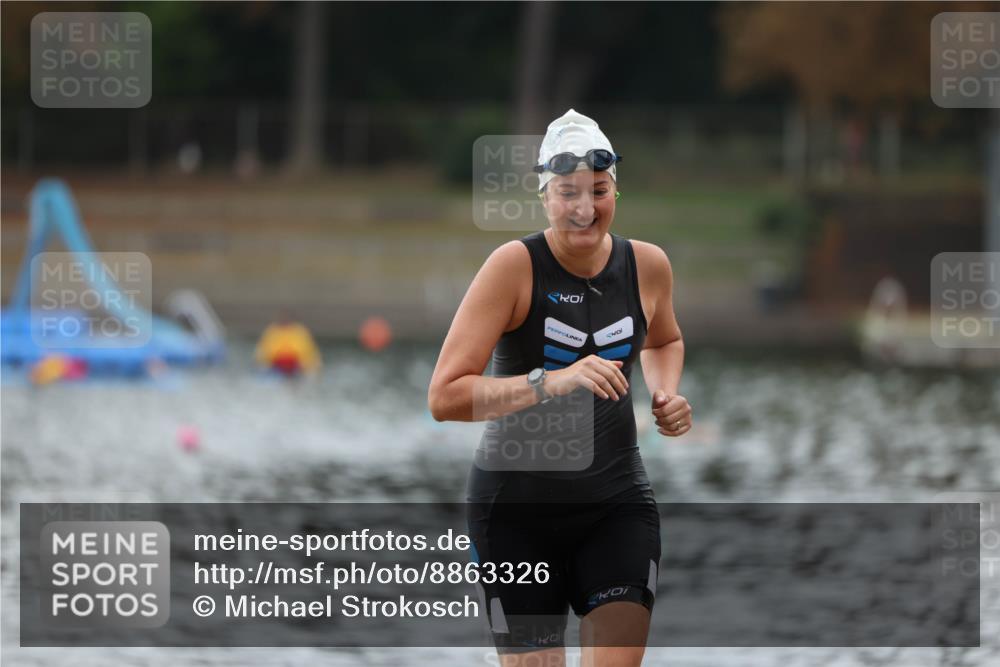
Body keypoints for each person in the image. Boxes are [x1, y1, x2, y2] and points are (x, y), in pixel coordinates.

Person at [428, 109, 691, 666]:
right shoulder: (513, 267)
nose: (585, 209)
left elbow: (664, 340)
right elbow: (445, 396)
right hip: (517, 516)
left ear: (616, 188)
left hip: (616, 506)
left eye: (599, 191)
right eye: (568, 193)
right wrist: (549, 381)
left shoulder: (648, 265)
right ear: (544, 196)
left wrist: (664, 393)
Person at [254, 310, 322, 377]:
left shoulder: (300, 332)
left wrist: (312, 365)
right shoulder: (271, 331)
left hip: (297, 367)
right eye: (283, 318)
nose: (285, 320)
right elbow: (262, 351)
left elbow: (310, 351)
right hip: (275, 367)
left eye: (287, 318)